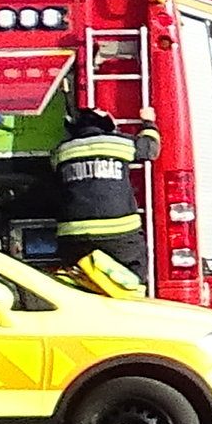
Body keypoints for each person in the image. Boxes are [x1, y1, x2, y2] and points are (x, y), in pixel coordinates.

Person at [52, 106, 153, 296]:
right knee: (134, 280)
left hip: (74, 236)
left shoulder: (61, 150)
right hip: (119, 232)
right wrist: (149, 123)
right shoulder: (118, 143)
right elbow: (150, 149)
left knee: (78, 283)